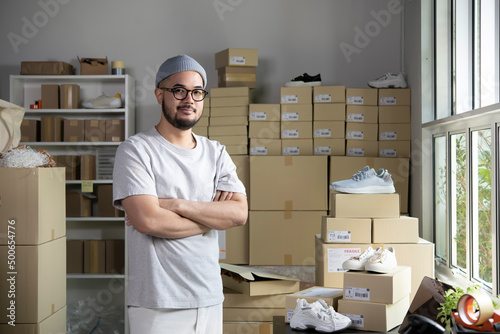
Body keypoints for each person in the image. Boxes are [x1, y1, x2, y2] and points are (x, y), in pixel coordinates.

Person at [112, 54, 248, 334]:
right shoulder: (136, 150)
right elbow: (149, 222)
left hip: (209, 297)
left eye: (197, 92)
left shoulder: (216, 153)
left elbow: (238, 213)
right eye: (179, 90)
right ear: (159, 94)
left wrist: (174, 204)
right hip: (158, 303)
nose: (189, 99)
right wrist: (211, 217)